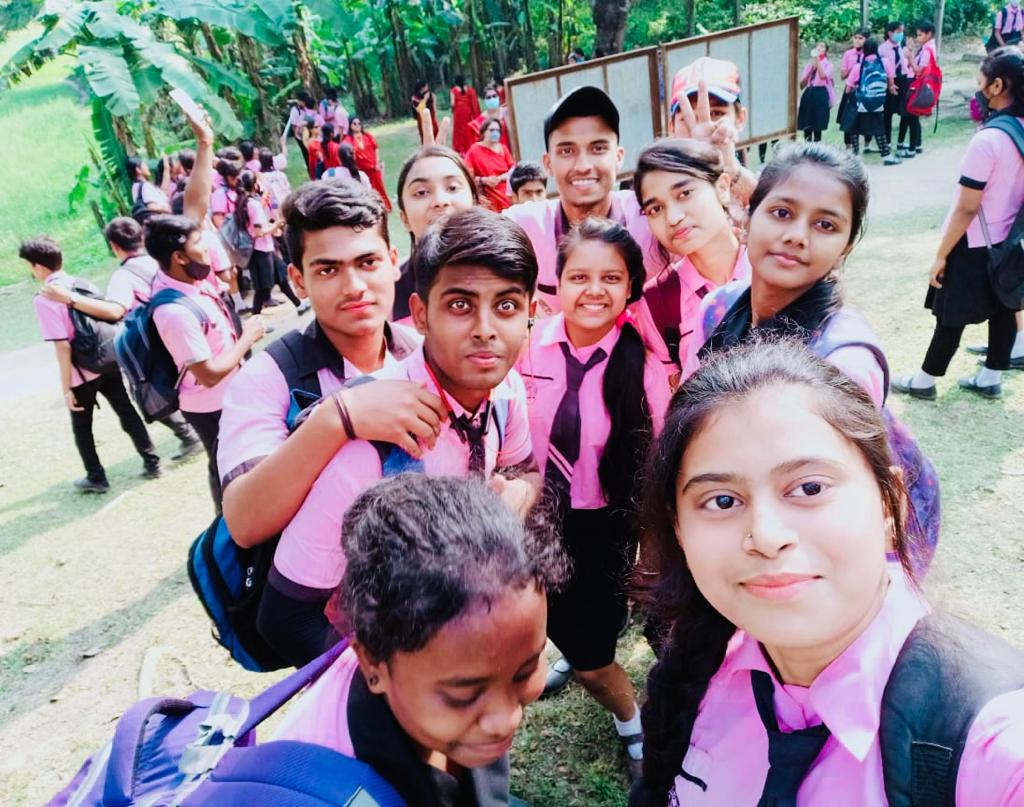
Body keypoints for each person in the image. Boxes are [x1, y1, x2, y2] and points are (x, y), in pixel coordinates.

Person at [629, 341, 1024, 806]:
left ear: (890, 504)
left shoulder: (994, 749)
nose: (766, 536)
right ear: (678, 528)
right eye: (722, 500)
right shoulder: (705, 667)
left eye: (810, 488)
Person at [258, 208, 540, 667]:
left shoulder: (505, 390)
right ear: (420, 315)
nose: (486, 330)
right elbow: (286, 618)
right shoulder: (371, 444)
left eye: (506, 306)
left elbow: (525, 468)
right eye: (460, 305)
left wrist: (520, 495)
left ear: (531, 312)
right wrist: (405, 686)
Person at [683, 143, 941, 571]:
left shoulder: (844, 359)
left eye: (825, 224)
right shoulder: (718, 308)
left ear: (846, 247)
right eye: (782, 213)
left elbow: (834, 498)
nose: (797, 236)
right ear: (747, 216)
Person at [274, 474, 566, 805]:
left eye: (524, 671)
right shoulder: (327, 788)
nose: (507, 720)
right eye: (464, 695)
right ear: (372, 663)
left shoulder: (427, 659)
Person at [517, 218, 671, 779]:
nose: (594, 290)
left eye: (611, 278)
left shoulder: (642, 366)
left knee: (593, 661)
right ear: (558, 282)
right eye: (579, 276)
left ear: (630, 287)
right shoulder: (525, 347)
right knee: (533, 623)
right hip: (527, 518)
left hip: (601, 527)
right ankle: (570, 646)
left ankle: (632, 726)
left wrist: (651, 549)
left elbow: (655, 470)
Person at [218, 179, 440, 547]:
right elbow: (244, 522)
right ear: (298, 281)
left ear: (393, 262)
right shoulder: (268, 377)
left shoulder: (422, 350)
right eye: (328, 270)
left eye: (367, 262)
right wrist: (337, 419)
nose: (354, 286)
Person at [893, 48, 1024, 401]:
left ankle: (924, 381)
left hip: (974, 241)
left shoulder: (989, 140)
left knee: (949, 313)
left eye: (981, 81)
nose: (977, 89)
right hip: (1011, 241)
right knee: (1004, 308)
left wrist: (941, 254)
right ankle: (990, 377)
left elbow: (967, 207)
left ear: (997, 86)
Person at [37, 217, 202, 460]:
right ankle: (191, 432)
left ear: (114, 246)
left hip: (156, 340)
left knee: (150, 391)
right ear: (141, 237)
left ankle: (189, 434)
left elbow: (115, 311)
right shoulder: (158, 260)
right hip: (187, 325)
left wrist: (70, 299)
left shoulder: (123, 277)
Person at [504, 85, 663, 316]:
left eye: (598, 148)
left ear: (618, 157)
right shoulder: (524, 227)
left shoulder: (652, 215)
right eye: (567, 151)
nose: (583, 166)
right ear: (548, 163)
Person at [21, 236, 161, 492]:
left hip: (81, 373)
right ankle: (152, 461)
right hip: (107, 359)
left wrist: (66, 388)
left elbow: (62, 346)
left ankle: (96, 477)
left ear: (38, 267)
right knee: (126, 411)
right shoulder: (80, 283)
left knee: (82, 427)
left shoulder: (45, 299)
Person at [633, 138, 751, 377]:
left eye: (685, 193)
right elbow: (671, 390)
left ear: (722, 188)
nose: (673, 218)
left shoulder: (772, 265)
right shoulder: (657, 301)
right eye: (656, 209)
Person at [392, 145, 479, 320]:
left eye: (452, 188)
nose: (440, 201)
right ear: (404, 218)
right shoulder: (389, 292)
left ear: (475, 203)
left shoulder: (509, 270)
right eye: (421, 192)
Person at [665, 57, 758, 210]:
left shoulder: (766, 185)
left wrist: (729, 169)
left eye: (716, 113)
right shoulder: (655, 194)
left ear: (740, 118)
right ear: (671, 128)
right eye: (688, 117)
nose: (701, 127)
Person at [235, 170, 306, 316]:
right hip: (260, 250)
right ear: (255, 185)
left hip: (262, 248)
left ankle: (298, 304)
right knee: (263, 288)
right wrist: (277, 225)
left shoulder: (245, 202)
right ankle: (255, 318)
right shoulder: (252, 204)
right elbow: (259, 232)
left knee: (281, 276)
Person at [842, 38, 899, 164]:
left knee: (854, 128)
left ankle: (855, 155)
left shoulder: (859, 67)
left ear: (864, 50)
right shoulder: (884, 62)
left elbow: (847, 90)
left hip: (861, 103)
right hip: (878, 102)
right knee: (879, 128)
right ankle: (886, 156)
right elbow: (891, 83)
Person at [898, 20, 939, 158]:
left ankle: (912, 149)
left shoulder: (927, 50)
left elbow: (918, 70)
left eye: (920, 35)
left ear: (929, 34)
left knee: (912, 116)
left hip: (918, 85)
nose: (918, 38)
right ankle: (917, 145)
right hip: (921, 85)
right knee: (914, 116)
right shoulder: (927, 47)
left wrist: (910, 56)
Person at [464, 118, 516, 212]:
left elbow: (513, 170)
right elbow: (467, 175)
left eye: (498, 130)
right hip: (486, 196)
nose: (495, 133)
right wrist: (484, 180)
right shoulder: (474, 150)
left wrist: (499, 178)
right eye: (492, 130)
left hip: (506, 195)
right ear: (483, 132)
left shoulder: (503, 148)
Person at [342, 117, 391, 209]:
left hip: (374, 168)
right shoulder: (348, 140)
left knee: (379, 188)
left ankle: (384, 207)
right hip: (361, 170)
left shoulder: (367, 135)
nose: (357, 125)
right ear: (350, 125)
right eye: (354, 124)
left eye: (359, 123)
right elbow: (346, 151)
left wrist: (377, 162)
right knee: (367, 190)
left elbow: (376, 147)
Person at [879, 21, 911, 152]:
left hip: (903, 80)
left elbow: (905, 65)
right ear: (890, 33)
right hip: (889, 82)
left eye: (902, 32)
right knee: (888, 113)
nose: (901, 34)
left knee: (906, 112)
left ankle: (901, 142)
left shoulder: (902, 47)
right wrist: (889, 84)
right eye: (898, 32)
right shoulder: (882, 49)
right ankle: (887, 143)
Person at [837, 28, 870, 151]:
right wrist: (854, 69)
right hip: (851, 89)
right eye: (855, 38)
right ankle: (848, 146)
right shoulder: (848, 54)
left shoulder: (869, 54)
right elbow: (842, 75)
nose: (857, 40)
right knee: (848, 118)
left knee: (866, 117)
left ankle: (867, 143)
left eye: (860, 38)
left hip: (865, 90)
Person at [798, 42, 835, 142]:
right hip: (809, 92)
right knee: (807, 123)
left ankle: (817, 145)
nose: (819, 48)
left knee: (818, 124)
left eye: (822, 46)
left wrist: (818, 61)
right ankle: (807, 145)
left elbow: (823, 76)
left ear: (826, 51)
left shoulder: (829, 65)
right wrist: (811, 70)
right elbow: (802, 85)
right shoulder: (809, 65)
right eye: (817, 46)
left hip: (820, 93)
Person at [469, 82, 511, 150]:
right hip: (490, 152)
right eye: (488, 97)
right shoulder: (481, 120)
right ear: (485, 100)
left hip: (508, 151)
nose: (492, 99)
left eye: (494, 96)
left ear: (498, 97)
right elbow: (479, 144)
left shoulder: (506, 112)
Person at [287, 90, 321, 164]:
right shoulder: (295, 110)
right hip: (301, 136)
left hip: (309, 134)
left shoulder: (306, 108)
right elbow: (294, 126)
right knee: (307, 156)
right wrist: (300, 136)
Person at [450, 75, 481, 155]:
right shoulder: (469, 89)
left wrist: (452, 109)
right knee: (467, 128)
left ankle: (460, 148)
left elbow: (452, 104)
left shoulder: (453, 90)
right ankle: (468, 145)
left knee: (459, 130)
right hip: (467, 111)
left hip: (458, 111)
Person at [411, 79, 439, 143]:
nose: (427, 87)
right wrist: (425, 99)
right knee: (425, 138)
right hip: (422, 120)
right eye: (426, 86)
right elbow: (418, 109)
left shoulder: (431, 94)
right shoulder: (414, 98)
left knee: (436, 136)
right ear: (422, 88)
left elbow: (434, 107)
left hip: (432, 118)